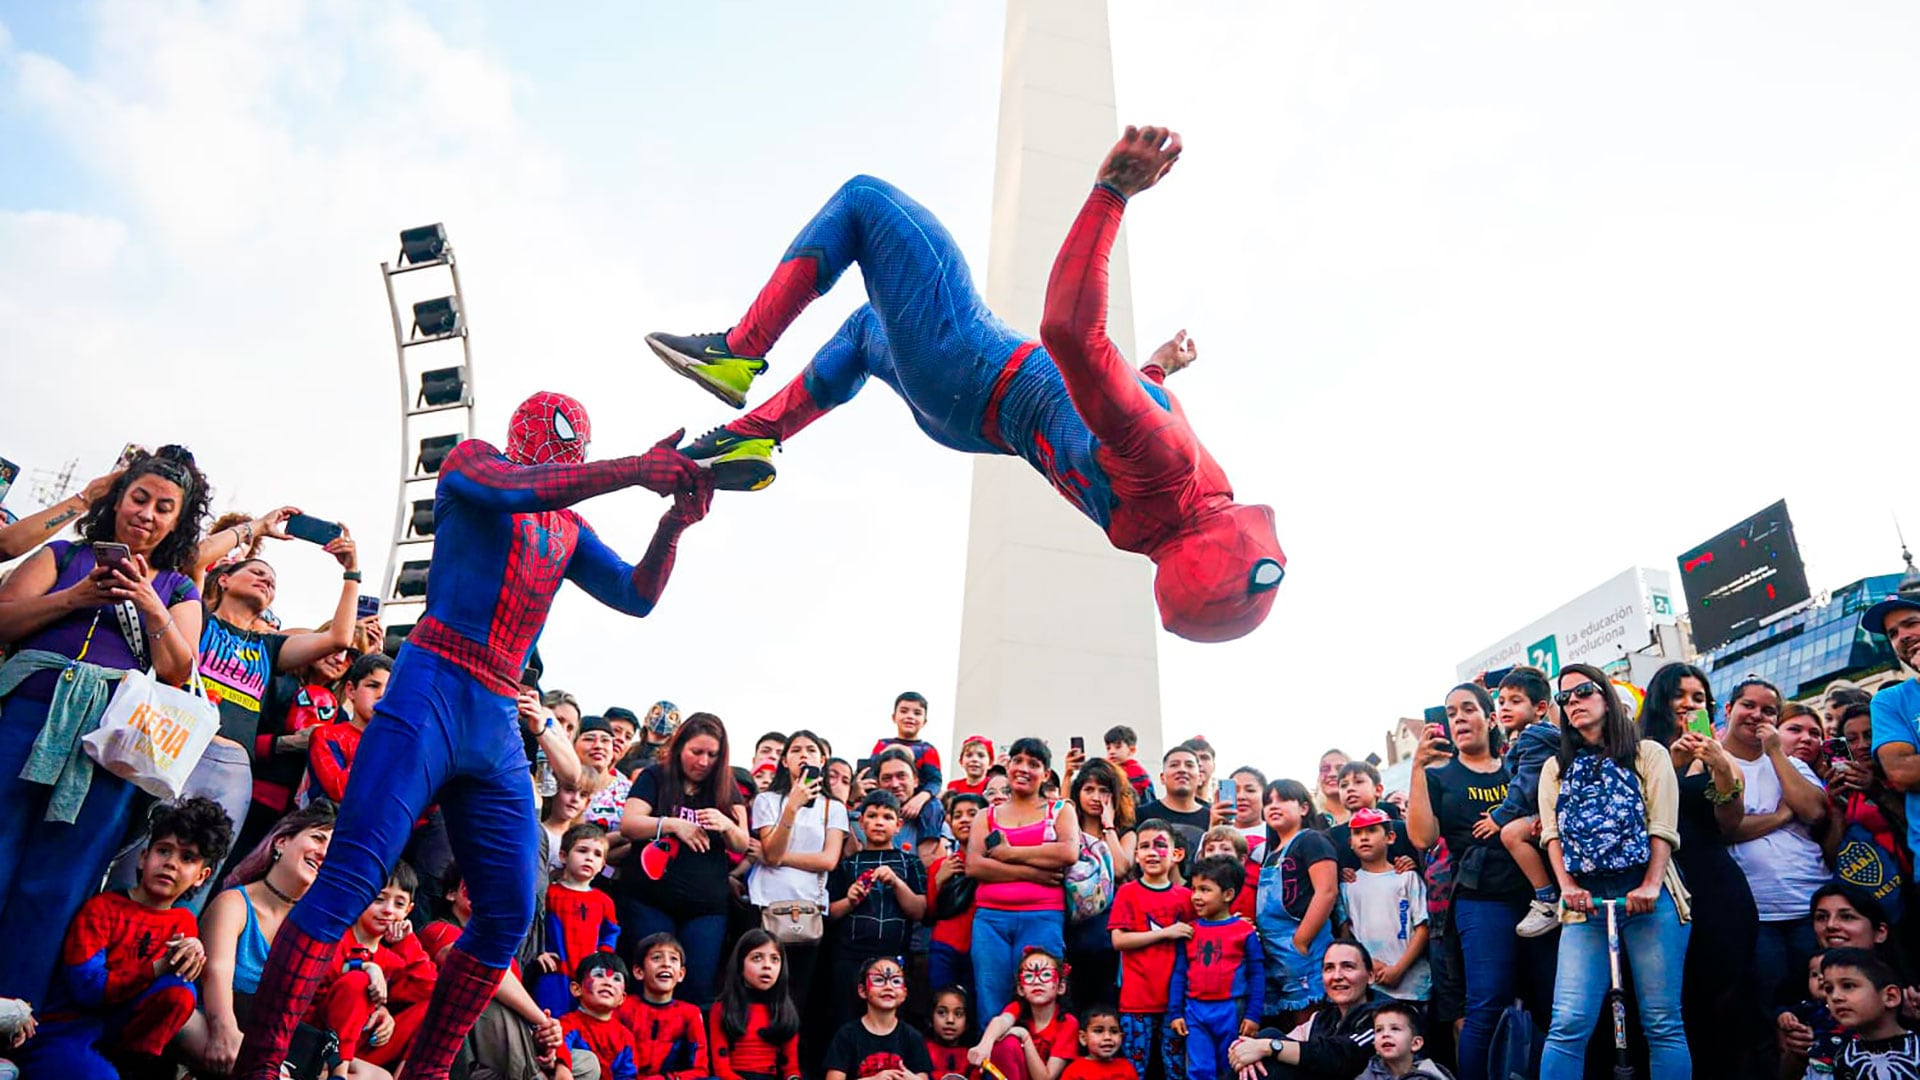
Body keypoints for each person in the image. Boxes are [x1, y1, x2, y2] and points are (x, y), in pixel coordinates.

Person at [235, 391, 714, 1079]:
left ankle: (425, 1072)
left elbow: (636, 596)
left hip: (492, 708)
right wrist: (637, 468)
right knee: (349, 879)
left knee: (511, 911)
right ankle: (259, 1065)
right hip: (435, 679)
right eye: (565, 440)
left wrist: (672, 524)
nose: (567, 450)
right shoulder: (474, 464)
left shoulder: (567, 527)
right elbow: (526, 487)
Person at [647, 125, 1283, 643]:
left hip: (974, 363)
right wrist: (1158, 370)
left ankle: (736, 354)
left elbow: (1069, 333)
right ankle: (749, 438)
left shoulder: (1169, 464)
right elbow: (1111, 418)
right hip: (961, 419)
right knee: (868, 330)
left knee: (866, 201)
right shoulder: (1148, 526)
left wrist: (1111, 193)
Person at [0, 447, 210, 1001]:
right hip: (26, 715)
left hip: (111, 745)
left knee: (60, 878)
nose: (147, 513)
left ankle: (12, 1016)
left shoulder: (180, 591)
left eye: (165, 507)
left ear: (178, 522)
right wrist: (74, 598)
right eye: (139, 498)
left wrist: (150, 605)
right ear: (118, 500)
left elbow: (181, 668)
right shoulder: (64, 555)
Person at [1536, 663, 1691, 1080]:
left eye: (1583, 692)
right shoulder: (1555, 768)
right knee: (1567, 1022)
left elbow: (1663, 826)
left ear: (1606, 695)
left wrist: (1651, 885)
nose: (1573, 703)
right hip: (1584, 904)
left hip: (1648, 896)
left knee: (1662, 1022)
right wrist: (1567, 887)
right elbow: (1552, 837)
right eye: (1564, 698)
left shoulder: (1649, 754)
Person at [11, 796, 230, 1079]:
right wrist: (156, 967)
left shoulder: (183, 922)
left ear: (201, 876)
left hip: (116, 1033)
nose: (171, 864)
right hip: (65, 1028)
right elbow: (88, 990)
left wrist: (194, 952)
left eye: (187, 858)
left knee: (181, 991)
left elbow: (171, 996)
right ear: (143, 857)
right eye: (164, 851)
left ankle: (135, 1066)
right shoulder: (103, 908)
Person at [1636, 662, 1761, 1080]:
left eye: (1699, 697)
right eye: (1681, 695)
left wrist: (1720, 765)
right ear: (1660, 700)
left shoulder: (1717, 756)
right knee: (1677, 1005)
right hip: (1663, 888)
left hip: (1717, 887)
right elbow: (1639, 815)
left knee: (1730, 998)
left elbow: (1729, 822)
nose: (1690, 704)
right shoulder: (1640, 752)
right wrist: (1672, 762)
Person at [1404, 683, 1534, 1080]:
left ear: (1490, 718)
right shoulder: (1441, 775)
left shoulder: (1517, 767)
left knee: (1545, 1001)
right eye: (1451, 712)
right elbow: (1423, 838)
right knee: (1486, 1004)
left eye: (1467, 709)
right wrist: (1417, 770)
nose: (1458, 717)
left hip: (1536, 897)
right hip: (1482, 900)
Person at [1720, 676, 1831, 1009]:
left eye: (1768, 711)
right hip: (1758, 914)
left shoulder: (1792, 764)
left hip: (1810, 904)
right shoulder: (1714, 763)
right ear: (1729, 710)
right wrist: (1782, 816)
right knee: (1773, 1011)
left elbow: (1813, 811)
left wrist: (1776, 754)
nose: (1757, 715)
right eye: (1748, 706)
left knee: (1827, 1004)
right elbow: (1726, 829)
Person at [968, 737, 1078, 1019]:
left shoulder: (1060, 810)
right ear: (1008, 766)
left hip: (1042, 917)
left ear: (1046, 774)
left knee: (1040, 1002)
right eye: (1018, 760)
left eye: (1034, 764)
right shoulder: (986, 815)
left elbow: (1067, 851)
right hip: (990, 920)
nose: (1024, 768)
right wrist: (1034, 872)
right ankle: (993, 1061)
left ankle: (1042, 1062)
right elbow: (975, 866)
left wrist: (1007, 852)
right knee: (990, 998)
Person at [751, 729, 845, 1012]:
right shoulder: (766, 801)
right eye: (795, 750)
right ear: (784, 761)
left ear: (823, 759)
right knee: (761, 991)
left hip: (808, 910)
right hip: (766, 905)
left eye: (811, 750)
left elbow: (828, 860)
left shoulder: (833, 808)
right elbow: (773, 850)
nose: (803, 755)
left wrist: (775, 858)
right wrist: (791, 807)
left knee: (798, 996)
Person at [314, 862, 436, 1075]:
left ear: (409, 911)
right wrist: (367, 968)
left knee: (433, 1006)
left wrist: (407, 941)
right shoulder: (337, 936)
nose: (388, 910)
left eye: (399, 904)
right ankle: (336, 1074)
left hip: (362, 1045)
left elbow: (427, 987)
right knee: (358, 982)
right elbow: (323, 975)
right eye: (379, 899)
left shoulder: (392, 958)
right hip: (318, 1036)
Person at [1110, 817, 1193, 1080]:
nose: (1152, 852)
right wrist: (1166, 933)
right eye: (1145, 846)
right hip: (1136, 1001)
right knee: (1134, 1071)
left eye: (1160, 845)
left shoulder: (1186, 897)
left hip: (1175, 1004)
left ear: (1175, 854)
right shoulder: (1127, 892)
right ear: (1136, 855)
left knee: (1176, 1069)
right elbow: (1118, 941)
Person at [1225, 939, 1379, 1080]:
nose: (1337, 976)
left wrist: (1267, 1047)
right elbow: (1284, 1042)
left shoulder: (1383, 1016)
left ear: (1370, 976)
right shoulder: (1323, 1017)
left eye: (1348, 967)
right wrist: (1244, 1047)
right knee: (1266, 1040)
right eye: (1329, 968)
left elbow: (1339, 1056)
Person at [1168, 856, 1263, 1080]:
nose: (1196, 897)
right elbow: (1180, 973)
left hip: (1231, 1009)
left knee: (1231, 1067)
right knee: (1199, 1069)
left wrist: (1253, 1015)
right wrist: (1175, 1012)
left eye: (1205, 890)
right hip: (1195, 1010)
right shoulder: (1188, 931)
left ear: (1228, 895)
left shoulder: (1244, 932)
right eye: (1193, 889)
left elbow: (1257, 975)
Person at [1485, 667, 1560, 938]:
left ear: (1540, 707)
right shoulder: (1530, 735)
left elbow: (1528, 785)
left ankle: (1547, 899)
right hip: (1545, 811)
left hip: (1554, 813)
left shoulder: (1534, 737)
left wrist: (1499, 817)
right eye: (1502, 701)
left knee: (1511, 834)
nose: (1505, 707)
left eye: (1515, 701)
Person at [1257, 779, 1338, 1029]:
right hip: (1274, 952)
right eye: (1268, 801)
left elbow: (1327, 891)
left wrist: (1301, 941)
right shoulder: (1269, 852)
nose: (1274, 805)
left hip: (1303, 947)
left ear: (1304, 808)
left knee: (1310, 1024)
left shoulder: (1311, 840)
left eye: (1282, 799)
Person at [1339, 808, 1428, 1004]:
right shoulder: (1347, 886)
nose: (1364, 838)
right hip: (1370, 986)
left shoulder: (1407, 878)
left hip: (1413, 986)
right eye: (1357, 833)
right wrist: (1368, 963)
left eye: (1371, 831)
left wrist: (1399, 968)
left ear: (1390, 837)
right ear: (1350, 843)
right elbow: (1346, 936)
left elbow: (1422, 928)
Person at [1067, 758, 1135, 1010]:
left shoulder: (1126, 833)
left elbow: (1120, 868)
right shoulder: (1067, 831)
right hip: (1070, 932)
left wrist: (1108, 826)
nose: (1096, 797)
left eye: (1104, 790)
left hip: (1107, 936)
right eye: (1089, 789)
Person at [533, 823, 620, 1016]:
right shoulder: (549, 893)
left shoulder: (604, 901)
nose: (589, 857)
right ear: (563, 856)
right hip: (555, 972)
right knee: (546, 1020)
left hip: (588, 977)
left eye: (597, 854)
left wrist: (603, 956)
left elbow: (611, 932)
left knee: (581, 1023)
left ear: (602, 865)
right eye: (582, 850)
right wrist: (539, 951)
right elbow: (534, 927)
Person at [968, 948, 1078, 1080]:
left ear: (1061, 987)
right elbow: (1001, 1021)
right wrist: (984, 1045)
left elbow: (1045, 1078)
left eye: (1046, 975)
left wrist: (1025, 1037)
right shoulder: (1018, 1008)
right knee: (1006, 1043)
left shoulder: (1068, 1023)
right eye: (1029, 976)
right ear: (1021, 989)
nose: (1037, 981)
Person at [710, 930, 801, 1080]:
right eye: (757, 958)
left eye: (774, 959)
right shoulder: (722, 1009)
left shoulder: (785, 1011)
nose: (767, 966)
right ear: (740, 964)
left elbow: (791, 1069)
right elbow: (721, 1069)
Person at [826, 955, 933, 1080]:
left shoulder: (912, 1037)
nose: (888, 987)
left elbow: (922, 1077)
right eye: (878, 980)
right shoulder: (847, 1035)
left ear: (904, 993)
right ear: (862, 990)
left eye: (896, 981)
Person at [621, 932, 712, 1080]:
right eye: (657, 958)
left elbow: (700, 1070)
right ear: (639, 971)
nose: (666, 964)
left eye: (673, 959)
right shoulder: (624, 1007)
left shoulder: (690, 1013)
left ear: (681, 974)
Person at [307, 651, 394, 804]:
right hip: (332, 823)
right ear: (351, 690)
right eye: (373, 686)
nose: (382, 695)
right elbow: (340, 791)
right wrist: (377, 741)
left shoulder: (400, 742)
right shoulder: (327, 736)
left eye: (390, 690)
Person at [1821, 948, 1920, 1079]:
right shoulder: (1842, 1058)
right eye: (1829, 989)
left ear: (1890, 997)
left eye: (1848, 986)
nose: (1835, 997)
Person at [929, 792, 986, 1004]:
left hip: (980, 947)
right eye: (958, 815)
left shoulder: (998, 864)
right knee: (940, 1006)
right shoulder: (941, 865)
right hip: (944, 947)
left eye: (973, 814)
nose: (965, 820)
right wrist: (939, 880)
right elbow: (930, 912)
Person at [562, 952, 640, 1080]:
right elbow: (561, 1050)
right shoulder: (567, 1024)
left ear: (622, 998)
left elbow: (627, 1075)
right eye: (599, 975)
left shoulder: (625, 1037)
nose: (608, 982)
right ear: (577, 989)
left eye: (616, 979)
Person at [870, 692, 943, 810]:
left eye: (917, 713)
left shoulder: (928, 750)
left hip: (918, 803)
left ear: (924, 721)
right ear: (894, 717)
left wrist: (920, 798)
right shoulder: (882, 745)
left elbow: (935, 782)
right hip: (885, 798)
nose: (910, 716)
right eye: (904, 711)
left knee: (934, 807)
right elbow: (872, 772)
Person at [875, 747, 948, 865]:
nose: (895, 784)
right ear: (878, 784)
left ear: (915, 780)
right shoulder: (864, 822)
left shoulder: (936, 821)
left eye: (901, 776)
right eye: (887, 778)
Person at [1138, 745, 1212, 862]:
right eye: (1174, 765)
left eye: (1189, 765)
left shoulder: (1212, 817)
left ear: (1199, 778)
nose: (1182, 770)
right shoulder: (1141, 814)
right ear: (1162, 778)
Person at [1358, 1001, 1453, 1080]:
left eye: (1395, 1029)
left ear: (1416, 1043)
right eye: (1379, 1030)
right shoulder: (1366, 1077)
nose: (1385, 1034)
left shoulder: (1431, 1074)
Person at [1061, 1005, 1136, 1080]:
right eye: (1098, 1031)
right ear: (1083, 1038)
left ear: (1121, 1037)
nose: (1107, 1037)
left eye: (1114, 1031)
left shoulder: (1126, 1068)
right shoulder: (1074, 1071)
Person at [925, 986, 974, 1080]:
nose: (950, 1020)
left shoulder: (972, 1056)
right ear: (931, 1018)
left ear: (967, 1022)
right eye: (941, 1012)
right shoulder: (921, 1050)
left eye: (958, 1014)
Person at [1106, 727, 1156, 805]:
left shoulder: (1138, 772)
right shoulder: (1107, 770)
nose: (1112, 751)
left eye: (1117, 747)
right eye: (1108, 748)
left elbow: (1148, 801)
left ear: (1131, 750)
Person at [1311, 752, 1351, 831]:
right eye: (1325, 769)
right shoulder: (1308, 822)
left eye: (1340, 769)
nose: (1332, 774)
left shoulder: (1369, 815)